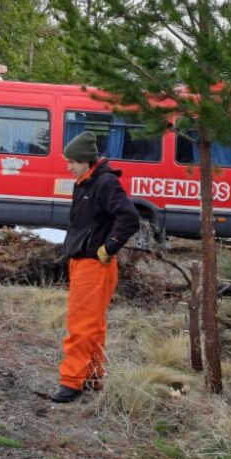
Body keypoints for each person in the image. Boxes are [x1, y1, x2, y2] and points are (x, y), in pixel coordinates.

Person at [52, 132, 140, 403]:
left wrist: (109, 247)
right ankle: (91, 375)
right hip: (83, 262)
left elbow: (129, 218)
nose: (69, 167)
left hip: (94, 265)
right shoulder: (86, 182)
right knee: (94, 325)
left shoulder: (105, 183)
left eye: (73, 162)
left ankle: (72, 382)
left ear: (86, 161)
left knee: (81, 325)